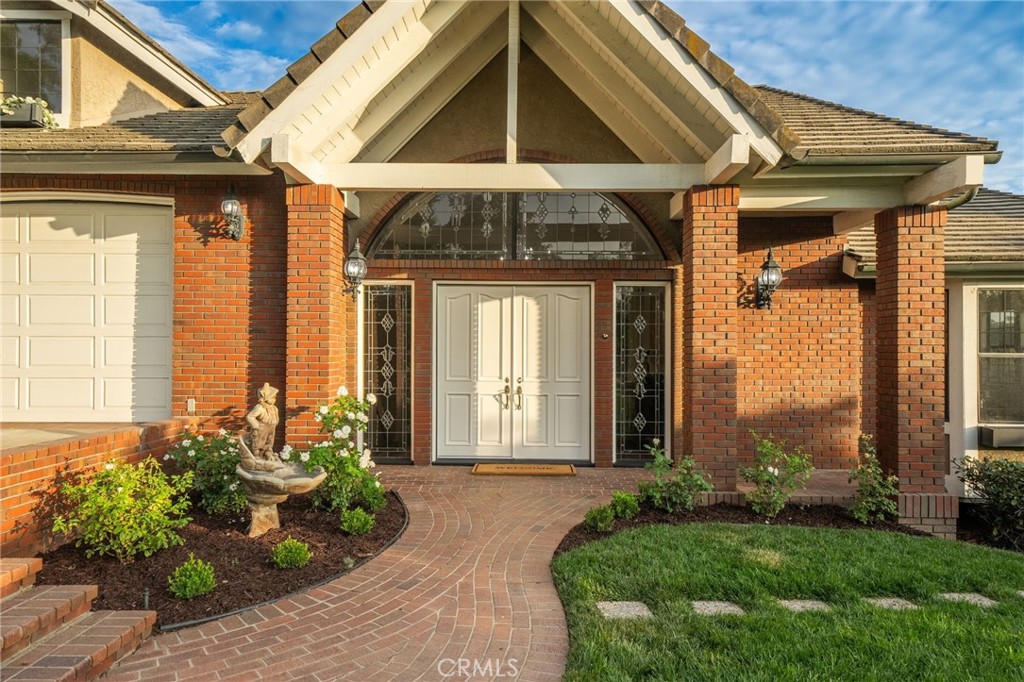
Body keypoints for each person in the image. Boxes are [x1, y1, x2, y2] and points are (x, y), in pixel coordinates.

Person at [246, 383, 279, 462]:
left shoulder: (274, 408)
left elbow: (276, 416)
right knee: (259, 441)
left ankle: (267, 452)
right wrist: (256, 426)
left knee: (270, 440)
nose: (275, 399)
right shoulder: (260, 407)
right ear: (267, 398)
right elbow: (250, 416)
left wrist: (276, 422)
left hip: (271, 427)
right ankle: (256, 455)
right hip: (262, 427)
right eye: (273, 397)